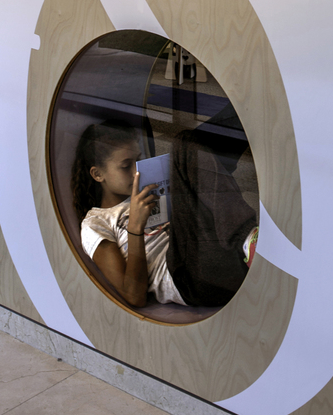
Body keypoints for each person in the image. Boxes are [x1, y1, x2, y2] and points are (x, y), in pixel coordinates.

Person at [71, 121, 258, 310]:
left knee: (200, 144)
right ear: (97, 174)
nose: (136, 172)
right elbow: (134, 296)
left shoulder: (147, 186)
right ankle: (248, 237)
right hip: (188, 278)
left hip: (219, 253)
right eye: (126, 166)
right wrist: (134, 227)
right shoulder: (95, 223)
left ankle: (248, 241)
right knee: (184, 144)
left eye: (138, 161)